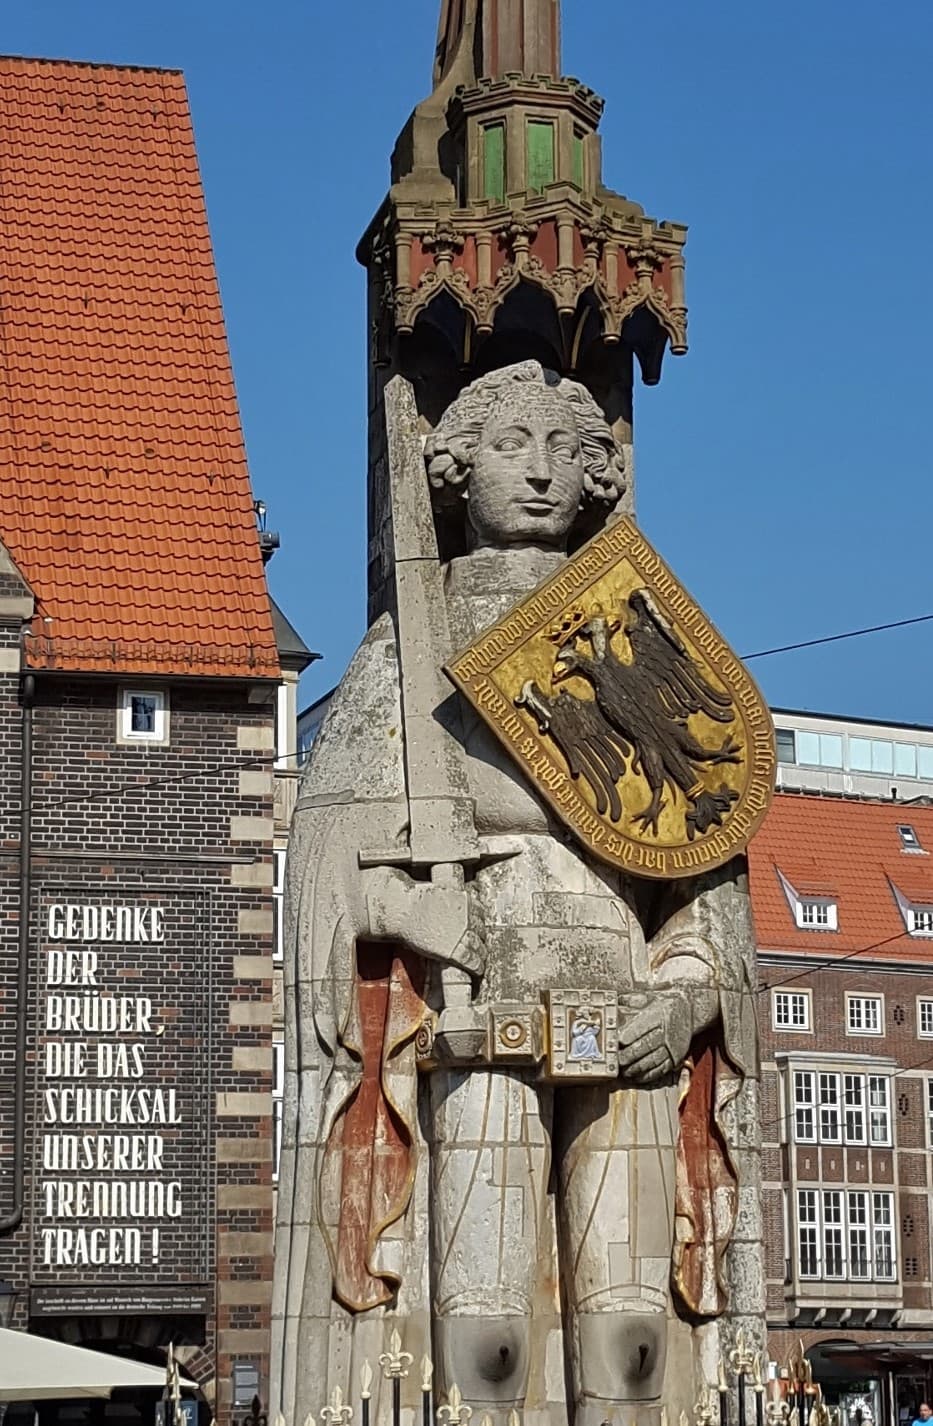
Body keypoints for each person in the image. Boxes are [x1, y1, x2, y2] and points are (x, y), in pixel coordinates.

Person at [272, 362, 759, 1426]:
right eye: (508, 444)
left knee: (632, 1331)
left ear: (595, 472)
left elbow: (702, 861)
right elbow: (323, 845)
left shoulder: (638, 634)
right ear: (456, 466)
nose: (538, 471)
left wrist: (681, 997)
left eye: (561, 448)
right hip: (477, 1003)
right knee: (483, 1329)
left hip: (627, 1006)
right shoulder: (419, 635)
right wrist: (404, 913)